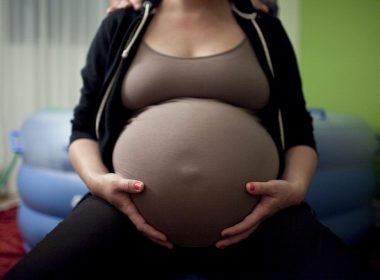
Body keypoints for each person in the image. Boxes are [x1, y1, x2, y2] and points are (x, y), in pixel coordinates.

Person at [5, 0, 377, 279]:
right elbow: (83, 127)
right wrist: (99, 183)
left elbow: (299, 131)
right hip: (125, 215)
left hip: (258, 218)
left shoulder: (263, 28)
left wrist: (295, 188)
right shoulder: (123, 23)